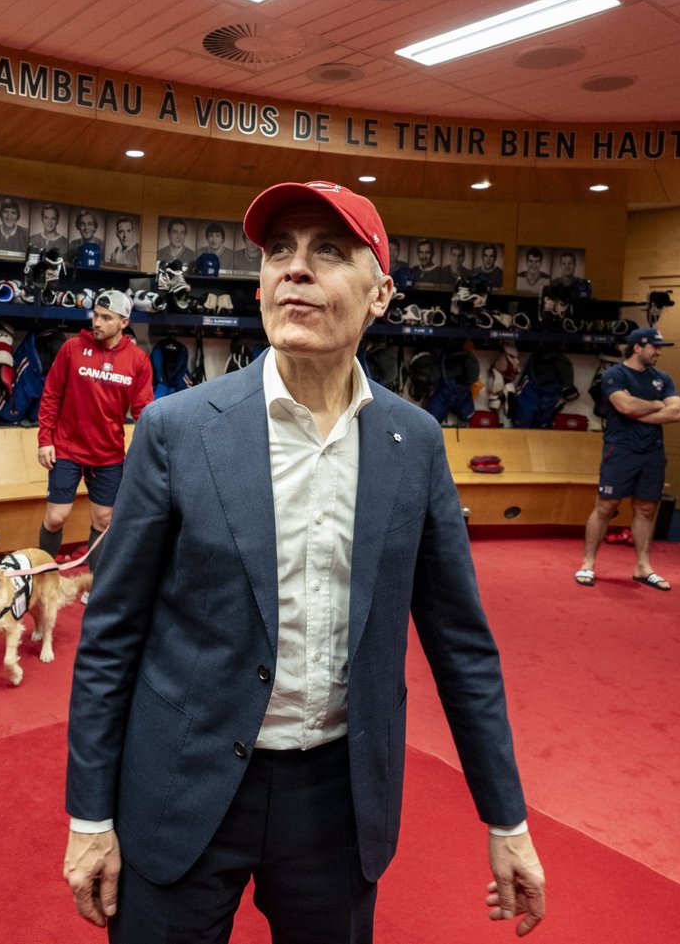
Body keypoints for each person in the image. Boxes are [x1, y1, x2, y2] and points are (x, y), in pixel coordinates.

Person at [64, 180, 545, 943]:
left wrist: (507, 817)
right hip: (183, 783)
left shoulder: (414, 442)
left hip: (338, 801)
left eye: (328, 251)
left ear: (380, 292)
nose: (295, 268)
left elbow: (461, 644)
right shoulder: (177, 430)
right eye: (278, 251)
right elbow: (112, 633)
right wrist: (89, 814)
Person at [36, 288, 153, 571]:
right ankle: (42, 576)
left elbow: (144, 411)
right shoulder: (72, 349)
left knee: (103, 520)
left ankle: (96, 585)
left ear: (124, 322)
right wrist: (44, 439)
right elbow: (51, 394)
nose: (97, 323)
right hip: (66, 448)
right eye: (95, 316)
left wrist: (148, 450)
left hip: (108, 454)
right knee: (56, 517)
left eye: (106, 318)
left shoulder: (137, 360)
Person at [575, 327, 680, 590]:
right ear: (637, 347)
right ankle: (588, 563)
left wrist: (642, 411)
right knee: (606, 505)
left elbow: (677, 411)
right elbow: (625, 406)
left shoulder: (663, 378)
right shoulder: (614, 375)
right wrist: (658, 405)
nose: (658, 352)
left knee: (646, 508)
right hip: (621, 449)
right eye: (654, 347)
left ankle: (643, 567)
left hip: (652, 450)